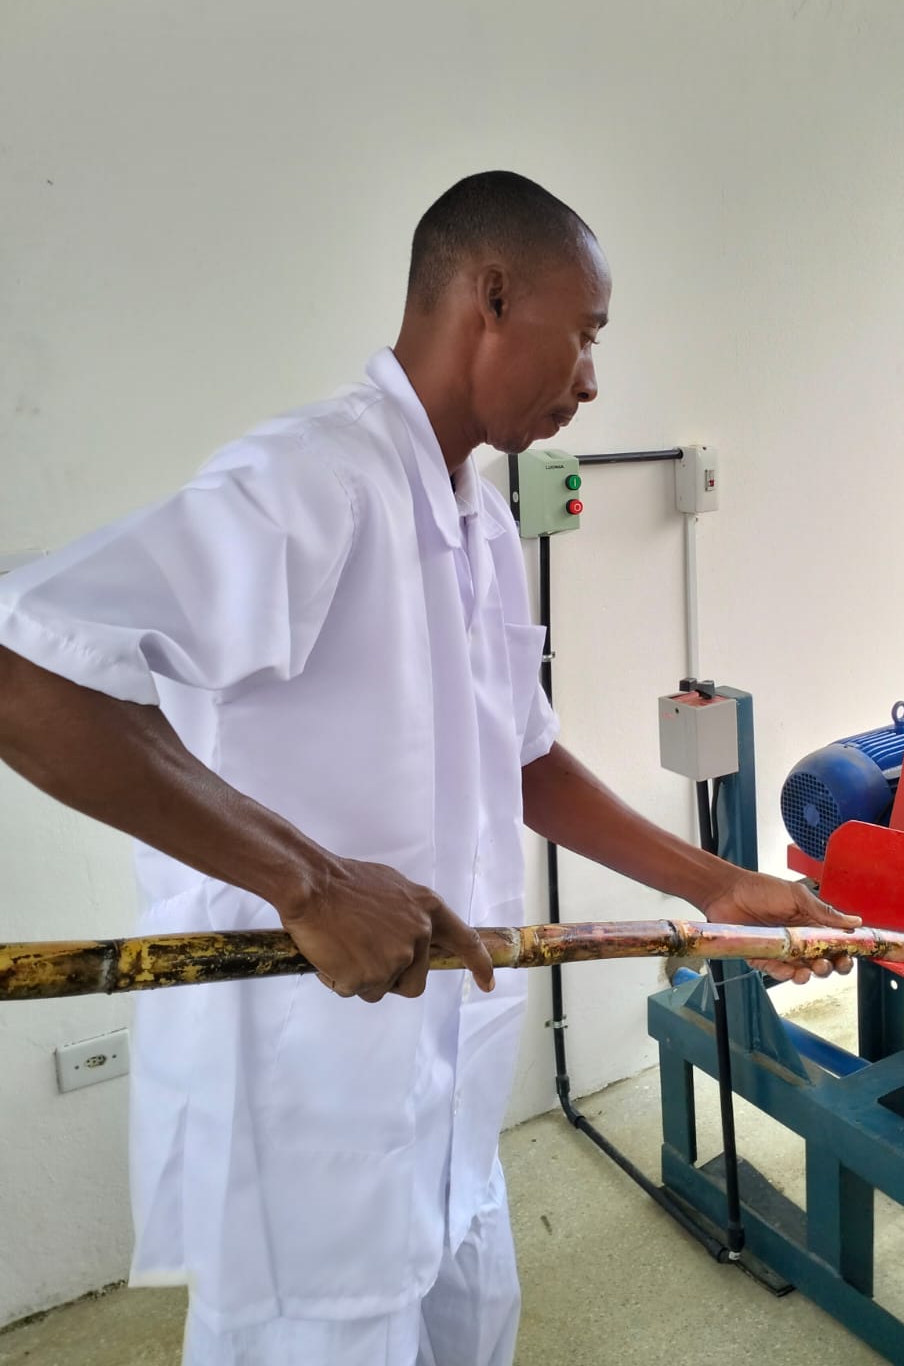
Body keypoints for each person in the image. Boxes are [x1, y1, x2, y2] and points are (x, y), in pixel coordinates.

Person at [0, 172, 858, 1366]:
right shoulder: (310, 480)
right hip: (307, 1110)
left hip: (444, 1092)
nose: (594, 378)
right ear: (490, 295)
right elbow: (26, 670)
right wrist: (307, 883)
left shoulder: (481, 514)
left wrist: (712, 884)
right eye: (587, 333)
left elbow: (522, 757)